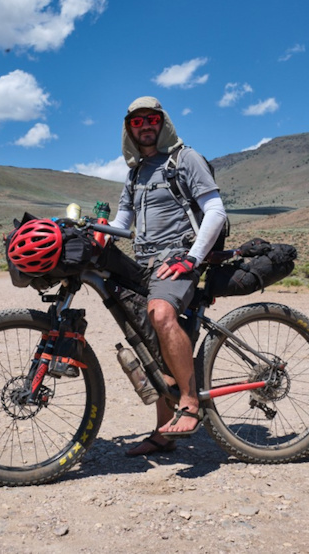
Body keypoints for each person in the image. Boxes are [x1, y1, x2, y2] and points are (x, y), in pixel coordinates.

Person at [108, 96, 228, 457]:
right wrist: (95, 229)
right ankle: (162, 435)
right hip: (147, 264)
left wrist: (191, 260)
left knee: (160, 313)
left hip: (178, 259)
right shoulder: (135, 173)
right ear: (129, 129)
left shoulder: (185, 159)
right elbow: (122, 225)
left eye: (151, 119)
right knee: (148, 340)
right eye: (136, 122)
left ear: (162, 122)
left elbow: (215, 210)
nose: (145, 126)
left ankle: (190, 402)